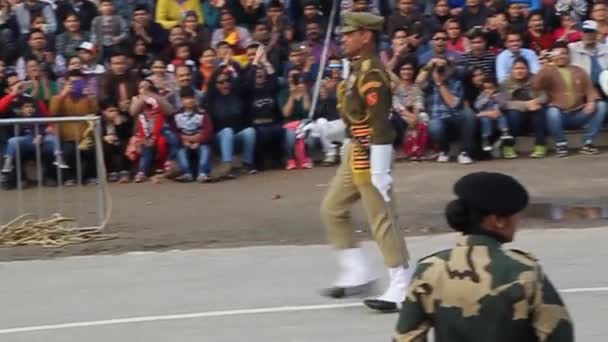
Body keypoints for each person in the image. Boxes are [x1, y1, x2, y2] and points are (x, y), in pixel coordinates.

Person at [393, 172, 574, 342]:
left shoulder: (429, 270)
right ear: (498, 221)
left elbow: (406, 337)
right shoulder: (524, 271)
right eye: (516, 215)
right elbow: (559, 333)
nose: (519, 221)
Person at [320, 11, 413, 313]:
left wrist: (381, 169)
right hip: (354, 150)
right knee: (333, 209)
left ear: (366, 36)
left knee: (382, 219)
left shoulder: (372, 74)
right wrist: (325, 128)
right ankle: (358, 271)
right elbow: (354, 119)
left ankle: (402, 283)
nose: (343, 38)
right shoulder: (356, 71)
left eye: (350, 33)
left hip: (372, 152)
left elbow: (380, 126)